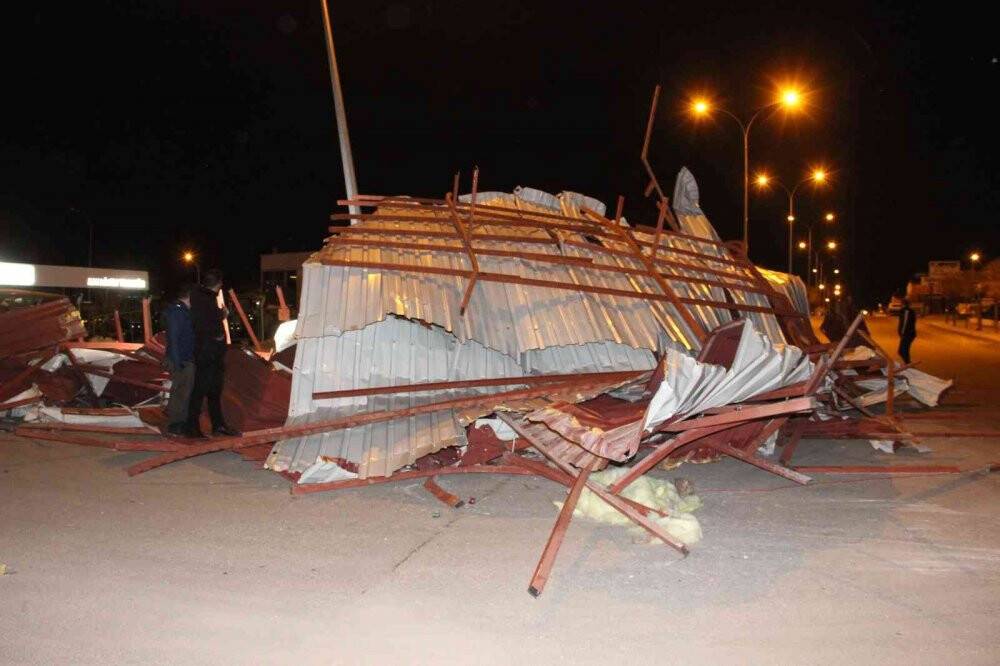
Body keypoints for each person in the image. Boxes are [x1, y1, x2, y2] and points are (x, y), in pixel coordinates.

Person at [185, 269, 240, 438]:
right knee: (201, 390)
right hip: (207, 352)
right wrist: (221, 315)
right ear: (219, 284)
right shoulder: (204, 299)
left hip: (211, 352)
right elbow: (205, 325)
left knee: (214, 390)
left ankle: (218, 425)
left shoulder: (201, 296)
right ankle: (193, 427)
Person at [163, 284, 196, 436]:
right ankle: (175, 424)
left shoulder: (183, 311)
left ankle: (180, 422)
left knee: (184, 391)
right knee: (180, 392)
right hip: (182, 360)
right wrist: (178, 363)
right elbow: (174, 339)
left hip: (185, 358)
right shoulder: (177, 312)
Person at [897, 298, 917, 364]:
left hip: (907, 334)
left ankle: (908, 364)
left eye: (901, 303)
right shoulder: (907, 311)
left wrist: (902, 333)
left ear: (903, 303)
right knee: (904, 351)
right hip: (908, 334)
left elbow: (905, 323)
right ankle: (908, 363)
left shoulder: (906, 311)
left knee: (902, 351)